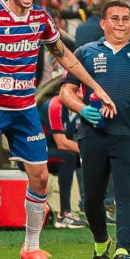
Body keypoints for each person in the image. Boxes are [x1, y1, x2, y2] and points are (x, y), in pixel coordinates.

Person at [0, 0, 116, 259]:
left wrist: (95, 87)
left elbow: (65, 56)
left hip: (25, 106)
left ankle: (31, 246)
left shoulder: (41, 17)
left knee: (41, 177)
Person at [60, 0, 130, 259]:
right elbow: (65, 92)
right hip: (93, 133)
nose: (121, 23)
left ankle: (123, 248)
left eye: (125, 18)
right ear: (103, 23)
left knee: (126, 192)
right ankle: (100, 240)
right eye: (115, 18)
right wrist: (83, 110)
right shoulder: (85, 52)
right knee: (93, 197)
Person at [40, 94, 86, 229]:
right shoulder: (55, 106)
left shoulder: (78, 108)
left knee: (89, 160)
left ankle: (94, 208)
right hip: (37, 150)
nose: (81, 94)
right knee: (70, 157)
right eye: (76, 89)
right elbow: (61, 143)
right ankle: (64, 213)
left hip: (53, 150)